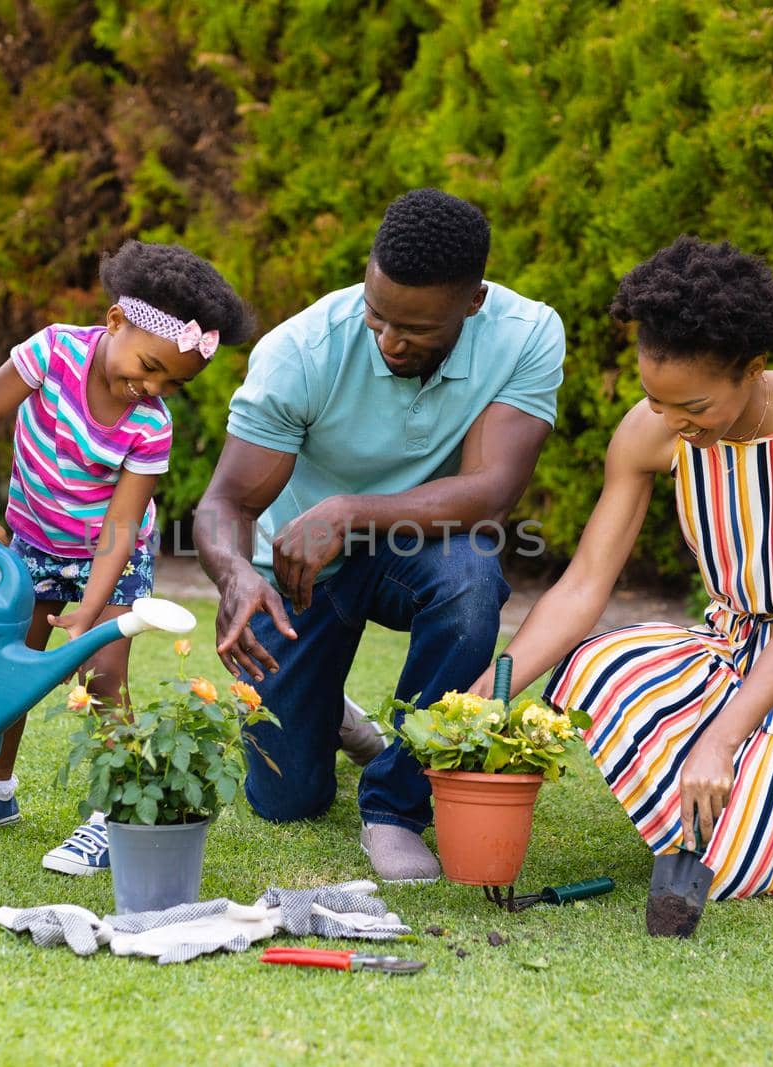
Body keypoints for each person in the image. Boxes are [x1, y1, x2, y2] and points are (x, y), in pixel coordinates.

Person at [478, 236, 773, 935]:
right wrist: (482, 699)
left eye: (696, 407)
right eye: (656, 400)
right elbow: (584, 585)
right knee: (595, 661)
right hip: (730, 645)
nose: (674, 422)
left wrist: (720, 741)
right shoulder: (650, 431)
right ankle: (747, 795)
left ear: (754, 370)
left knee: (747, 868)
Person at [194, 189, 565, 883]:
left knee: (471, 578)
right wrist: (235, 574)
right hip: (299, 572)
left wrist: (351, 511)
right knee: (288, 800)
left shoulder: (527, 333)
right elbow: (226, 500)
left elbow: (492, 489)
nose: (388, 340)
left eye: (415, 329)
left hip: (416, 548)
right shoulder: (303, 350)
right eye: (377, 313)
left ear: (472, 302)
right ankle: (330, 713)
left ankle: (396, 806)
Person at [0, 241, 253, 876]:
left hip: (110, 555)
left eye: (173, 382)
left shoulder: (149, 424)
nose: (153, 386)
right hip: (30, 541)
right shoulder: (52, 353)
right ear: (114, 320)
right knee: (13, 664)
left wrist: (89, 616)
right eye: (150, 364)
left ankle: (110, 818)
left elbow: (122, 524)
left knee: (104, 677)